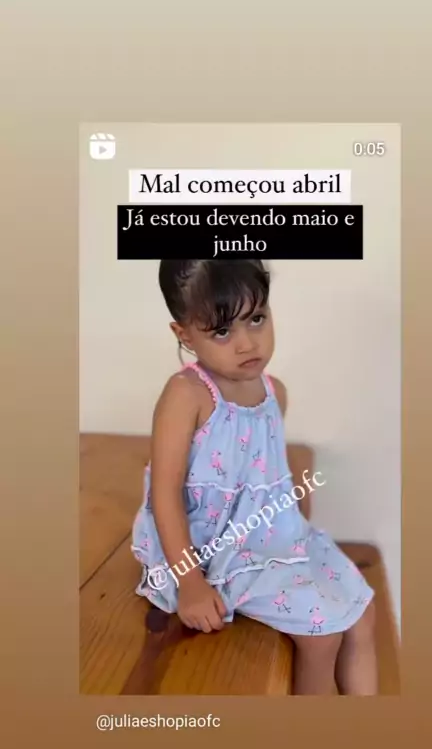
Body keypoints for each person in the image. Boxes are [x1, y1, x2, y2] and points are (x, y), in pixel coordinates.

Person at [131, 258, 377, 695]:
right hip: (209, 549)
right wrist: (190, 582)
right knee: (322, 636)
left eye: (257, 319)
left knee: (363, 615)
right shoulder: (186, 396)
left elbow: (263, 475)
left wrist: (292, 520)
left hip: (270, 534)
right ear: (184, 335)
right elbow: (164, 496)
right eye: (222, 331)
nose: (247, 343)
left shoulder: (273, 392)